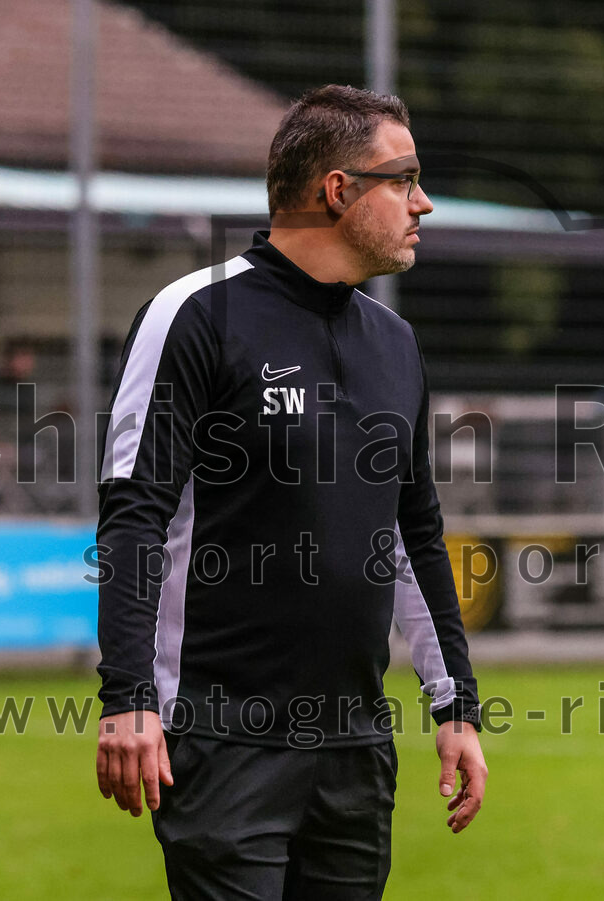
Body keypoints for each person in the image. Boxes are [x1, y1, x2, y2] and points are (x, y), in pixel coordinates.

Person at [94, 84, 486, 899]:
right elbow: (135, 515)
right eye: (405, 179)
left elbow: (412, 532)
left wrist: (456, 707)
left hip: (354, 748)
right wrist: (128, 695)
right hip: (220, 739)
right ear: (337, 191)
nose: (425, 202)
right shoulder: (195, 315)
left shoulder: (396, 343)